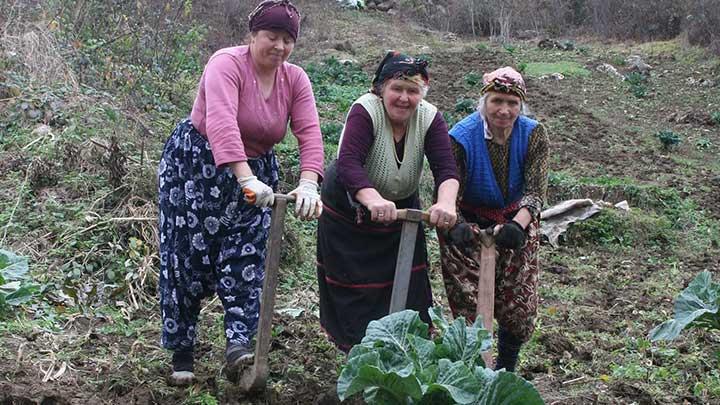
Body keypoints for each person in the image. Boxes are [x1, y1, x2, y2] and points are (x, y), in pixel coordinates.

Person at [157, 0, 324, 386]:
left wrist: (310, 181)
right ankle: (182, 351)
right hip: (196, 167)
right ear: (252, 36)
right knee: (187, 256)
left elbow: (310, 131)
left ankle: (237, 346)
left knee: (248, 254)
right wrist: (244, 177)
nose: (279, 46)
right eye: (271, 36)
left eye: (287, 39)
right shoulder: (226, 63)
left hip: (257, 171)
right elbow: (221, 122)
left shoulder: (295, 79)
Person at [316, 51, 460, 352]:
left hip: (401, 208)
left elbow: (445, 167)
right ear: (381, 89)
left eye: (413, 90)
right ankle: (359, 358)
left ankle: (401, 357)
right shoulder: (365, 111)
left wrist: (446, 203)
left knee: (408, 285)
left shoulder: (430, 118)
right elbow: (349, 164)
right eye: (397, 88)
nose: (404, 98)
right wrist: (372, 200)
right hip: (350, 208)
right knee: (355, 291)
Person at [440, 67, 549, 372]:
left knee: (519, 305)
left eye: (512, 103)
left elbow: (535, 189)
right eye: (497, 101)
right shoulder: (461, 137)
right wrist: (457, 225)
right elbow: (448, 188)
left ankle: (506, 370)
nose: (504, 110)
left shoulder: (533, 134)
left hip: (516, 221)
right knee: (470, 305)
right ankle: (475, 371)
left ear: (521, 106)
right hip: (468, 223)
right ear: (484, 102)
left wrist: (518, 224)